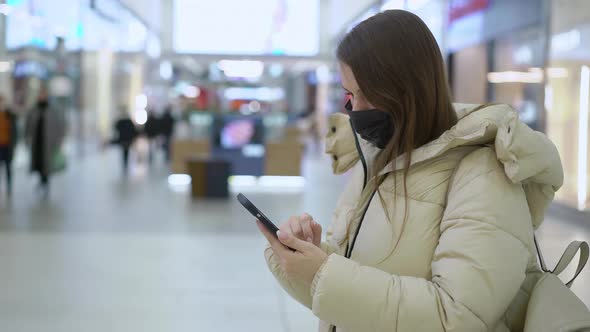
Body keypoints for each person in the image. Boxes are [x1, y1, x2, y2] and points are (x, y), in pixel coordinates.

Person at [258, 10, 566, 332]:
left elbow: (457, 317)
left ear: (407, 88)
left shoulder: (484, 175)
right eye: (350, 95)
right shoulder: (377, 160)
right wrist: (309, 257)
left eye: (368, 94)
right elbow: (347, 291)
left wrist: (323, 272)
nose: (355, 110)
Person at [26, 90, 65, 196]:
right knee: (38, 163)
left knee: (47, 164)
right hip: (37, 142)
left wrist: (59, 141)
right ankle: (42, 181)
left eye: (43, 95)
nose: (41, 97)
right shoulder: (34, 110)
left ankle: (45, 183)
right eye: (40, 95)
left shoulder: (53, 110)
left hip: (49, 142)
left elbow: (59, 126)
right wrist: (28, 139)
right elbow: (28, 126)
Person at [111, 107, 138, 175]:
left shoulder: (122, 121)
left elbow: (116, 128)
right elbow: (133, 130)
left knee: (125, 151)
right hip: (126, 139)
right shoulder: (127, 121)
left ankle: (125, 164)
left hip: (124, 139)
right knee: (125, 151)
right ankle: (125, 163)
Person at [0, 95, 18, 196]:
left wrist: (14, 145)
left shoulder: (10, 115)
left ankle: (9, 187)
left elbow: (14, 132)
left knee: (8, 167)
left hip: (7, 146)